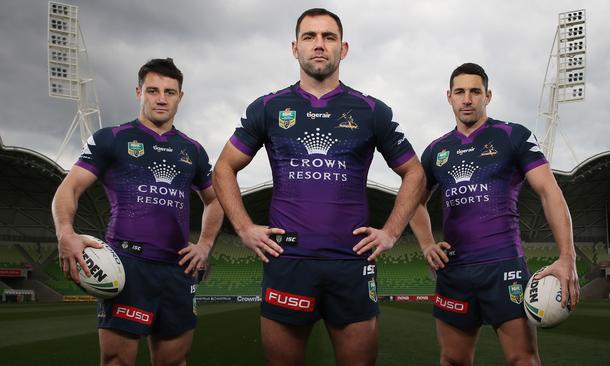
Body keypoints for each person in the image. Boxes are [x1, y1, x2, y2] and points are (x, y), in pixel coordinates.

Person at [213, 8, 424, 366]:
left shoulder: (371, 110)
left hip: (352, 262)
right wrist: (245, 228)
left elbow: (415, 173)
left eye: (328, 37)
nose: (319, 45)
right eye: (310, 37)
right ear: (295, 48)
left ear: (343, 49)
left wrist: (390, 232)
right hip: (288, 261)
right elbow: (223, 169)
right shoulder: (269, 107)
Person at [52, 58, 223, 366]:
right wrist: (65, 232)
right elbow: (69, 188)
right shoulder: (112, 139)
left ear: (180, 97)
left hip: (177, 270)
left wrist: (205, 245)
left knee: (175, 361)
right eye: (153, 90)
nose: (161, 99)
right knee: (117, 361)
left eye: (170, 92)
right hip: (126, 267)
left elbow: (215, 200)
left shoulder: (193, 150)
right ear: (138, 92)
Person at [409, 62, 580, 366]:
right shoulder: (437, 150)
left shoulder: (512, 136)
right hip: (455, 271)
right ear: (449, 97)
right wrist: (425, 244)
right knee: (452, 360)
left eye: (475, 91)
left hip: (504, 268)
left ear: (488, 96)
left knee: (523, 360)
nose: (467, 99)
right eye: (460, 92)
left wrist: (568, 258)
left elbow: (549, 192)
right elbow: (412, 202)